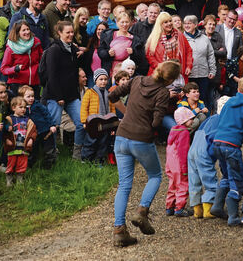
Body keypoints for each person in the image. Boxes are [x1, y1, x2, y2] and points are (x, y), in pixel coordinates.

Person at [109, 60, 181, 247]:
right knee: (155, 176)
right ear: (170, 79)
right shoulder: (163, 92)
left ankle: (119, 230)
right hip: (141, 139)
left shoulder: (137, 80)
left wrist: (128, 114)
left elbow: (113, 95)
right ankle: (142, 212)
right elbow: (157, 121)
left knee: (124, 185)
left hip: (122, 135)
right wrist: (146, 126)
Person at [211, 76, 243, 226]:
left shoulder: (229, 102)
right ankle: (233, 217)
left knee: (226, 174)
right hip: (231, 146)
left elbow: (220, 118)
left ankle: (217, 205)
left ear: (238, 89)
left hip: (217, 142)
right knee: (238, 181)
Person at [41, 21, 85, 160]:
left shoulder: (72, 49)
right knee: (53, 126)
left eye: (72, 32)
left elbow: (74, 72)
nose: (71, 35)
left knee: (82, 123)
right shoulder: (54, 50)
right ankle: (51, 154)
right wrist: (58, 96)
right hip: (55, 95)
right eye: (68, 32)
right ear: (59, 33)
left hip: (72, 94)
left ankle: (77, 154)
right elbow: (51, 75)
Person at [187, 97, 228, 219]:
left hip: (193, 148)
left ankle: (196, 209)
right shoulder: (223, 120)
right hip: (204, 150)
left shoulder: (211, 118)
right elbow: (215, 140)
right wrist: (213, 156)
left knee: (194, 179)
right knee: (209, 178)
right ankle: (208, 209)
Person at [0, 20, 43, 98]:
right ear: (17, 33)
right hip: (18, 84)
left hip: (34, 82)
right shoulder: (11, 48)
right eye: (23, 30)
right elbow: (3, 69)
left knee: (34, 108)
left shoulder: (36, 42)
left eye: (28, 29)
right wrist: (15, 69)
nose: (27, 32)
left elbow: (42, 59)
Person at [80, 68, 115, 163]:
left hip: (105, 123)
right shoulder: (90, 93)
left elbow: (112, 110)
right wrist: (84, 121)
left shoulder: (108, 93)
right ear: (95, 80)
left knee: (103, 143)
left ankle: (99, 160)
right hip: (93, 123)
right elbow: (84, 108)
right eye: (101, 79)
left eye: (105, 79)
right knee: (91, 142)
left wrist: (113, 125)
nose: (103, 82)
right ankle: (86, 159)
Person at [165, 107, 195, 217]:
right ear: (184, 119)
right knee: (182, 184)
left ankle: (169, 207)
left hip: (170, 164)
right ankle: (179, 208)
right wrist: (185, 168)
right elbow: (183, 151)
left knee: (172, 185)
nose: (192, 121)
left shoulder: (173, 131)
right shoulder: (184, 133)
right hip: (179, 164)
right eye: (190, 119)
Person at [18, 85, 57, 169]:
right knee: (32, 149)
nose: (31, 98)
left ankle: (49, 166)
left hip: (44, 130)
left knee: (48, 149)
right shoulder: (22, 109)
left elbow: (46, 114)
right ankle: (29, 166)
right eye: (28, 96)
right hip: (32, 133)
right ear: (22, 97)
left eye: (32, 96)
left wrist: (51, 125)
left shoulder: (37, 105)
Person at [145, 12, 193, 79]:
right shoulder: (154, 38)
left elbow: (188, 50)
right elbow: (150, 56)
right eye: (166, 22)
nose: (169, 24)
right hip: (161, 74)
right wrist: (160, 66)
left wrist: (188, 66)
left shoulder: (179, 35)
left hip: (178, 73)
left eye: (170, 21)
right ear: (160, 24)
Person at [98, 12, 145, 77]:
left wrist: (133, 52)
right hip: (111, 69)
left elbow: (141, 56)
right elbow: (100, 52)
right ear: (117, 23)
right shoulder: (108, 35)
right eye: (122, 22)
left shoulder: (135, 38)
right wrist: (108, 53)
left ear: (130, 23)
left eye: (127, 22)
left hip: (128, 71)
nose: (124, 24)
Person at [183, 15, 215, 107]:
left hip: (203, 74)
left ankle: (203, 118)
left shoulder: (204, 38)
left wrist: (212, 70)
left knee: (203, 98)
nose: (186, 26)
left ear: (196, 25)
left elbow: (210, 55)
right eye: (185, 23)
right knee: (188, 100)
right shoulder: (181, 38)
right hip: (188, 75)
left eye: (189, 23)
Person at [4, 96, 37, 186]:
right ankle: (9, 179)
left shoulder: (28, 120)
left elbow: (33, 131)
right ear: (13, 108)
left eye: (24, 107)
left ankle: (20, 178)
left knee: (22, 163)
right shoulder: (9, 119)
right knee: (11, 163)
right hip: (12, 147)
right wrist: (6, 139)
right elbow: (4, 131)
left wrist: (31, 139)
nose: (23, 109)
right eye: (20, 107)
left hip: (23, 147)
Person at [73, 7, 92, 83]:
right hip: (75, 64)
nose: (85, 21)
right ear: (78, 17)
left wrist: (85, 50)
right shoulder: (71, 30)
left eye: (86, 19)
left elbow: (87, 48)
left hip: (84, 63)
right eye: (83, 19)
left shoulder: (85, 31)